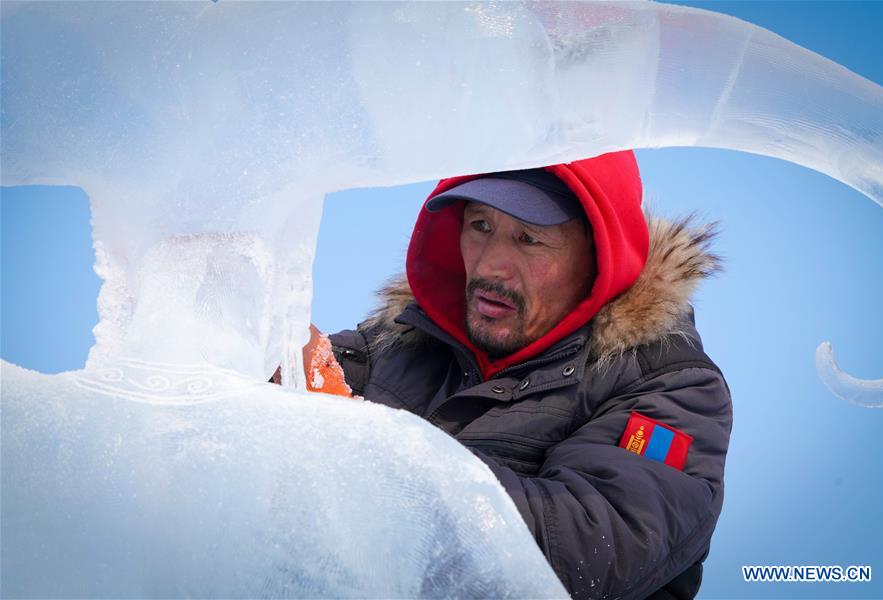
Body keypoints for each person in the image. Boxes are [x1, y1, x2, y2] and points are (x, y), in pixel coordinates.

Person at [293, 151, 732, 599]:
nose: (488, 267)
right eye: (480, 226)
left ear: (600, 253)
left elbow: (583, 553)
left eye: (528, 239)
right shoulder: (397, 343)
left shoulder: (670, 389)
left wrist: (361, 441)